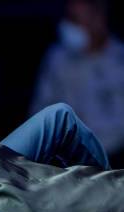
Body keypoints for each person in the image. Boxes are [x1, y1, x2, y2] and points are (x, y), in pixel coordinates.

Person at [31, 0, 124, 166]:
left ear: (99, 19)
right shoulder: (57, 58)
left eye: (76, 19)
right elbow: (41, 110)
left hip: (116, 155)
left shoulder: (119, 58)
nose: (69, 26)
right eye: (69, 18)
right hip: (69, 160)